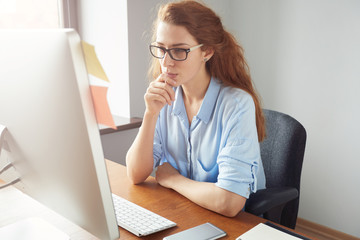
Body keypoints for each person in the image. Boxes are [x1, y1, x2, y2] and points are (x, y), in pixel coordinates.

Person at [126, 0, 266, 217]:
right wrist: (150, 114)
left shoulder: (236, 104)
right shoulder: (163, 96)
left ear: (207, 52)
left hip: (230, 224)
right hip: (184, 212)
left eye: (179, 51)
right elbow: (135, 174)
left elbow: (229, 202)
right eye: (161, 49)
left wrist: (173, 179)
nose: (166, 62)